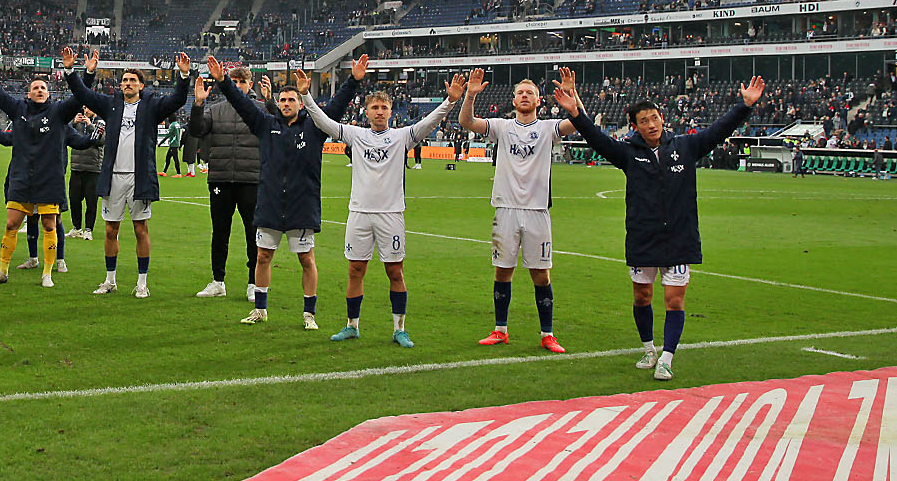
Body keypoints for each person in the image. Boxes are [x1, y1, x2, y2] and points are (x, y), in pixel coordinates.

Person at [555, 72, 764, 381]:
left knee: (675, 300)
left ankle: (667, 357)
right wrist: (575, 113)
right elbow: (597, 139)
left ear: (662, 118)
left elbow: (719, 131)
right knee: (642, 296)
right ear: (636, 126)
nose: (651, 124)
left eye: (655, 118)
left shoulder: (686, 146)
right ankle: (649, 348)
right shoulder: (628, 153)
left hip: (679, 238)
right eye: (644, 120)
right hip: (643, 237)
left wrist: (744, 106)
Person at [303, 69, 463, 346]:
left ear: (391, 112)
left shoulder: (402, 137)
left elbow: (428, 122)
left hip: (391, 214)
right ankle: (352, 325)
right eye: (374, 107)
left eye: (384, 107)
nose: (379, 112)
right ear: (366, 112)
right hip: (360, 213)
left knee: (395, 271)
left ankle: (399, 328)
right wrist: (305, 95)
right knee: (355, 270)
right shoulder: (355, 135)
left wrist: (449, 102)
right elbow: (324, 122)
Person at [459, 68, 578, 353]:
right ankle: (500, 330)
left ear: (539, 101)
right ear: (513, 100)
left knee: (542, 275)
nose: (525, 96)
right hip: (506, 209)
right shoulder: (501, 126)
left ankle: (547, 334)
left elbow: (578, 123)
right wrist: (470, 95)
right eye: (520, 93)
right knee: (503, 272)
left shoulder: (548, 129)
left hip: (537, 210)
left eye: (531, 93)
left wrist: (572, 96)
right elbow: (466, 121)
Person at [204, 57, 327, 328]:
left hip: (301, 206)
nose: (285, 104)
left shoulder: (314, 127)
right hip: (270, 204)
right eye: (282, 100)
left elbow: (336, 109)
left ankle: (309, 314)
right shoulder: (265, 125)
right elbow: (243, 104)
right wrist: (223, 82)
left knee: (306, 259)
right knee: (262, 256)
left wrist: (352, 81)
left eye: (291, 100)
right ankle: (260, 309)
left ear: (300, 103)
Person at [65, 48, 192, 298]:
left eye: (132, 80)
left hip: (139, 177)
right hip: (113, 177)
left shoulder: (152, 106)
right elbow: (81, 93)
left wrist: (184, 76)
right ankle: (110, 279)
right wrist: (75, 70)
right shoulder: (110, 104)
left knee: (140, 229)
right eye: (124, 80)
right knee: (111, 230)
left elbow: (177, 100)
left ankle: (142, 282)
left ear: (141, 86)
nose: (127, 83)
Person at [0, 50, 82, 287]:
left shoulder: (58, 112)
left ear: (49, 92)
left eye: (43, 87)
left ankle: (47, 273)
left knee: (49, 225)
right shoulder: (18, 109)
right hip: (22, 177)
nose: (40, 90)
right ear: (28, 93)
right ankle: (2, 271)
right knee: (11, 224)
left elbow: (79, 98)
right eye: (35, 88)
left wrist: (83, 73)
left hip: (49, 179)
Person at [0, 107, 95, 282]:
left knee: (54, 221)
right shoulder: (26, 125)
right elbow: (6, 138)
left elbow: (81, 142)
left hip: (50, 180)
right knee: (29, 218)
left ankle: (59, 261)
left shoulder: (60, 125)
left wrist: (95, 133)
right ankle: (32, 259)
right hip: (26, 180)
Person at [66, 108, 104, 240]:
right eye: (85, 108)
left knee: (91, 201)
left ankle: (88, 229)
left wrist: (90, 125)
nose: (86, 111)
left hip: (93, 168)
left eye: (89, 108)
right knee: (74, 200)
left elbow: (102, 140)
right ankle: (76, 228)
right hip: (76, 167)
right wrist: (73, 124)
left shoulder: (101, 122)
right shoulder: (76, 122)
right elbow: (64, 135)